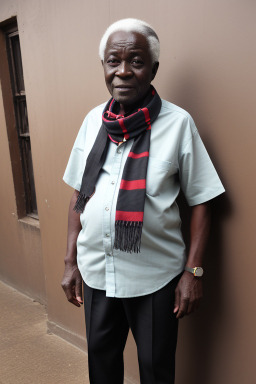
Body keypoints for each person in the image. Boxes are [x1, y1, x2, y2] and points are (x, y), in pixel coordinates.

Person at [61, 18, 225, 384]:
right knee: (101, 369)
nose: (122, 71)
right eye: (112, 61)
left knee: (156, 371)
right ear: (103, 66)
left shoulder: (178, 124)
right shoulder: (92, 122)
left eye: (135, 61)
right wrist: (71, 262)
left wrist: (193, 272)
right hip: (97, 272)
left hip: (155, 278)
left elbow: (202, 202)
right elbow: (79, 194)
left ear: (153, 68)